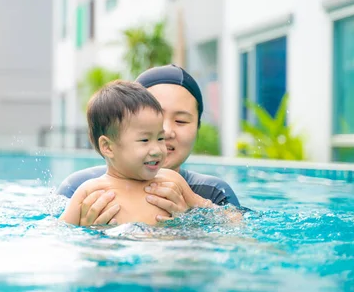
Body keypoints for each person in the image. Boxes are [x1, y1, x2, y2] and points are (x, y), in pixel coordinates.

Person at [56, 64, 241, 226]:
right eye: (145, 138)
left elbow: (238, 227)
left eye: (181, 121)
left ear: (198, 127)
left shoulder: (189, 185)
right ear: (108, 146)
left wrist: (193, 212)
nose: (167, 133)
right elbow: (57, 236)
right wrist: (86, 232)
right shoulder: (84, 189)